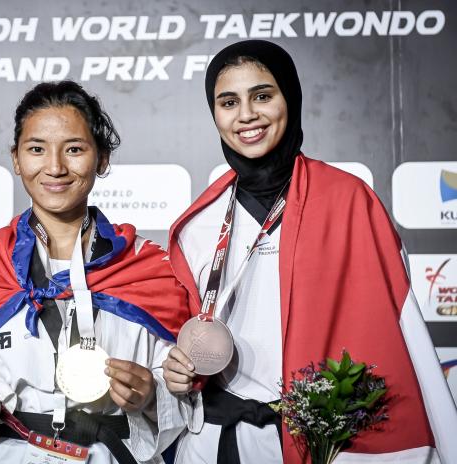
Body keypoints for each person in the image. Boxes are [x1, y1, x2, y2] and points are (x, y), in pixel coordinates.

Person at [162, 40, 457, 463]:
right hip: (214, 444)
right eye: (228, 102)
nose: (246, 115)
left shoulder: (350, 201)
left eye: (262, 96)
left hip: (327, 447)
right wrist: (174, 372)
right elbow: (175, 343)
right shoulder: (196, 224)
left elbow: (401, 333)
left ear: (291, 98)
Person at [0, 81, 193, 463]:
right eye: (37, 149)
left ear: (102, 158)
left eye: (74, 149)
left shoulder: (147, 266)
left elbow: (188, 391)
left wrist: (153, 398)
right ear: (16, 159)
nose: (55, 167)